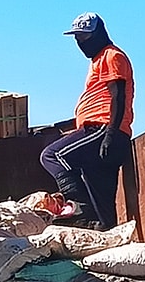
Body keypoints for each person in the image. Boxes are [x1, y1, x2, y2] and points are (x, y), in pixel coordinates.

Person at [40, 12, 134, 230]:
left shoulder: (112, 56)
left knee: (52, 155)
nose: (79, 42)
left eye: (84, 37)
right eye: (77, 38)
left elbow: (117, 96)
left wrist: (110, 134)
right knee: (102, 206)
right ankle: (102, 228)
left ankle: (79, 206)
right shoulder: (98, 60)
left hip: (103, 129)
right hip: (102, 131)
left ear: (98, 34)